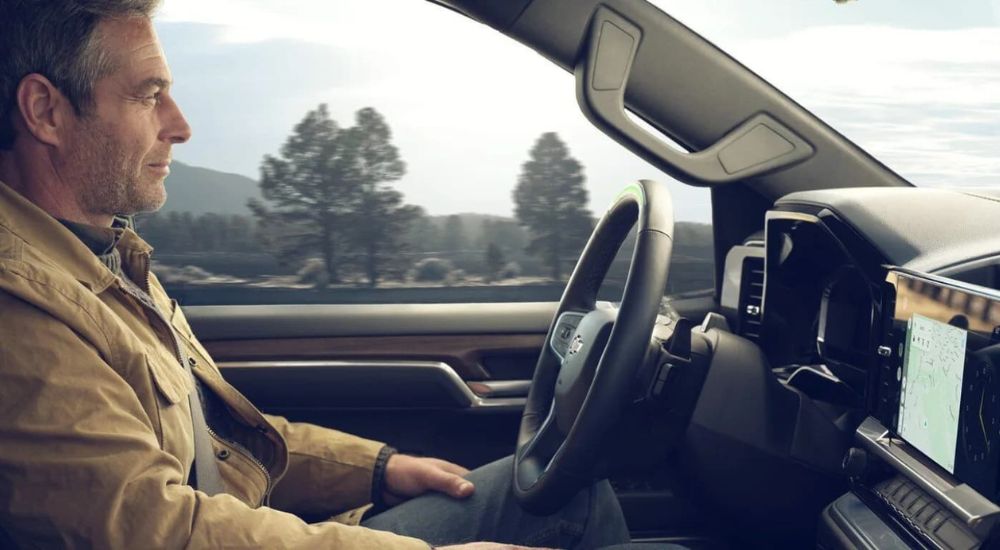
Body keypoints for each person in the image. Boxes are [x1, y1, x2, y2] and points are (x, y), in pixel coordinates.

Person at [0, 1, 634, 548]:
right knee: (571, 513)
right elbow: (156, 534)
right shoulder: (20, 308)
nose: (181, 125)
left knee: (570, 496)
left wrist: (380, 468)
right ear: (46, 112)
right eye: (148, 95)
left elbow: (223, 439)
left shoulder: (106, 258)